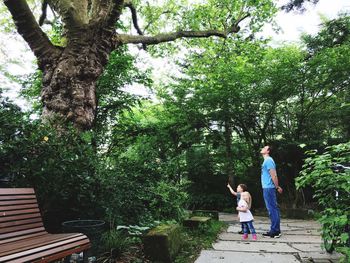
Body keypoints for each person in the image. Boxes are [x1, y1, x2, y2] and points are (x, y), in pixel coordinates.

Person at [260, 145, 283, 238]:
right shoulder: (266, 160)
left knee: (272, 209)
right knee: (273, 209)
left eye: (264, 148)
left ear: (268, 151)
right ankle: (275, 230)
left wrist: (277, 187)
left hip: (269, 188)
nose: (262, 148)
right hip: (267, 188)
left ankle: (275, 231)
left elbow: (274, 175)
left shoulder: (268, 160)